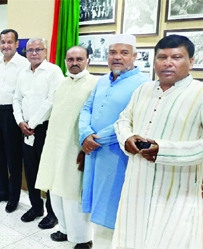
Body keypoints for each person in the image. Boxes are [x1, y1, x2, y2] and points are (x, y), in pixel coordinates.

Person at [113, 35, 203, 249]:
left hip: (178, 187)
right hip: (137, 182)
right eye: (161, 57)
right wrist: (127, 138)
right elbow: (124, 120)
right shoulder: (143, 90)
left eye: (176, 57)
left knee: (171, 239)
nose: (167, 62)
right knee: (131, 237)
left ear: (191, 61)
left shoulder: (199, 93)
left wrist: (164, 151)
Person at [79, 34, 150, 248]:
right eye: (112, 52)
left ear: (135, 56)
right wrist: (84, 133)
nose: (117, 57)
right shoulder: (102, 80)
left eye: (124, 52)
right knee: (96, 208)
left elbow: (134, 118)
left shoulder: (144, 84)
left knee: (113, 211)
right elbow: (87, 108)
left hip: (117, 156)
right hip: (94, 153)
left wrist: (97, 139)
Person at [35, 46, 96, 248]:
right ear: (65, 61)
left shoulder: (95, 84)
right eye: (70, 59)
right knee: (56, 189)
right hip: (55, 144)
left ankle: (82, 238)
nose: (74, 63)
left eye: (79, 59)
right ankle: (64, 228)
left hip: (76, 147)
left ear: (88, 60)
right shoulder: (62, 83)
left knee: (72, 192)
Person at [12, 38, 63, 228]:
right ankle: (36, 207)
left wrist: (31, 123)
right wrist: (20, 122)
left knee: (48, 171)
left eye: (38, 50)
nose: (33, 53)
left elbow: (52, 101)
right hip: (25, 129)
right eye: (30, 50)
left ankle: (52, 212)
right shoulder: (23, 72)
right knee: (31, 169)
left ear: (45, 51)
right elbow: (16, 98)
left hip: (44, 129)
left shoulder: (53, 71)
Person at [0, 29, 29, 206]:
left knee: (13, 158)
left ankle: (13, 198)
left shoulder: (24, 64)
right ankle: (1, 191)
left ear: (17, 44)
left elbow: (24, 93)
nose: (6, 45)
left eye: (9, 42)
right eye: (3, 42)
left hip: (11, 114)